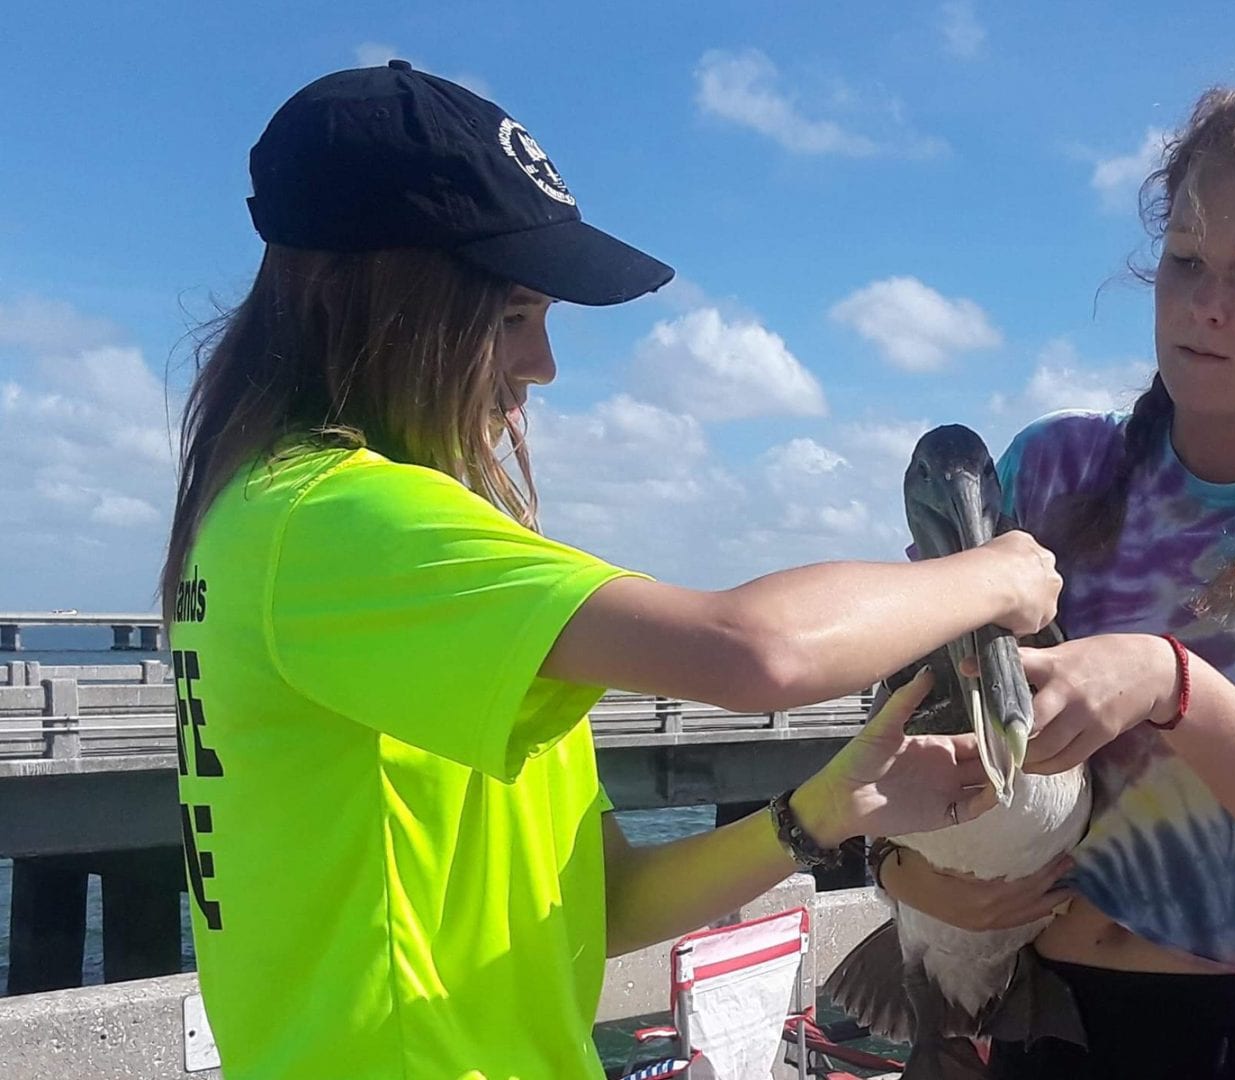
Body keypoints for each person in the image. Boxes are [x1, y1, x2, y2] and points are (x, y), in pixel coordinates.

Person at [161, 61, 1062, 1080]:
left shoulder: (293, 534)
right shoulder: (331, 520)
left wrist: (822, 813)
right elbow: (753, 652)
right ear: (372, 299)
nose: (543, 364)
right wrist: (1000, 574)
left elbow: (595, 903)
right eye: (510, 317)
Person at [876, 88, 1235, 1079]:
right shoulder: (1050, 470)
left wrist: (1169, 682)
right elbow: (915, 710)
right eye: (1187, 262)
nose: (1206, 302)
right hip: (1043, 1015)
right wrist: (909, 877)